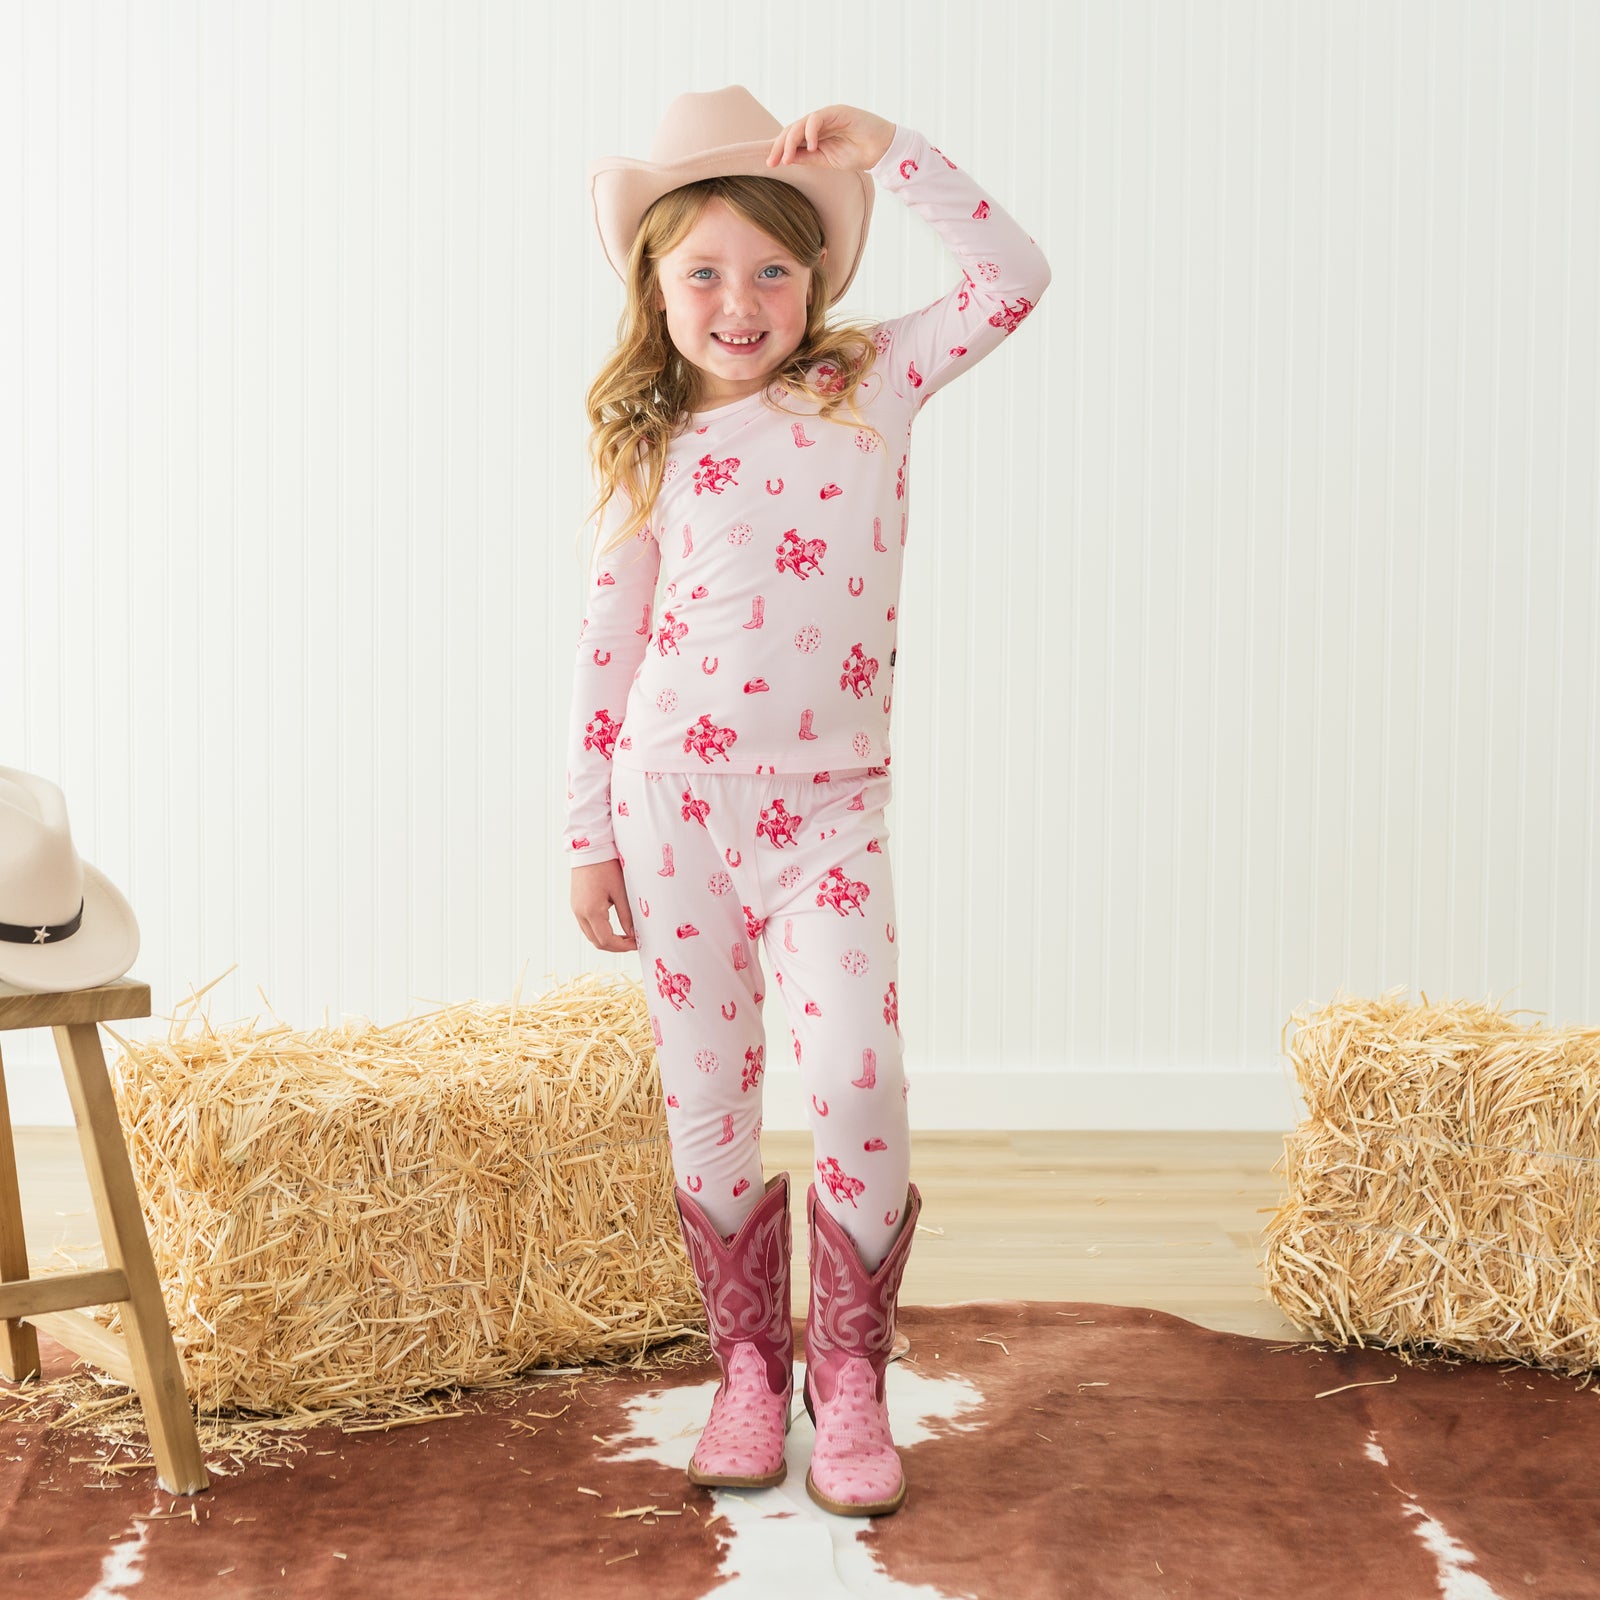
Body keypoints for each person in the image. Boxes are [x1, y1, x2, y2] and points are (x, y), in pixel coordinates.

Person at [563, 87, 1049, 1517]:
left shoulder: (868, 383)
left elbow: (1010, 282)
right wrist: (588, 831)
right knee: (707, 1100)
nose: (740, 299)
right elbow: (607, 650)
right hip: (670, 808)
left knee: (853, 1081)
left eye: (773, 268)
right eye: (704, 271)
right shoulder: (643, 440)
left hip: (828, 813)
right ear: (656, 288)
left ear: (820, 279)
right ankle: (748, 1374)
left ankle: (850, 1376)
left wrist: (889, 153)